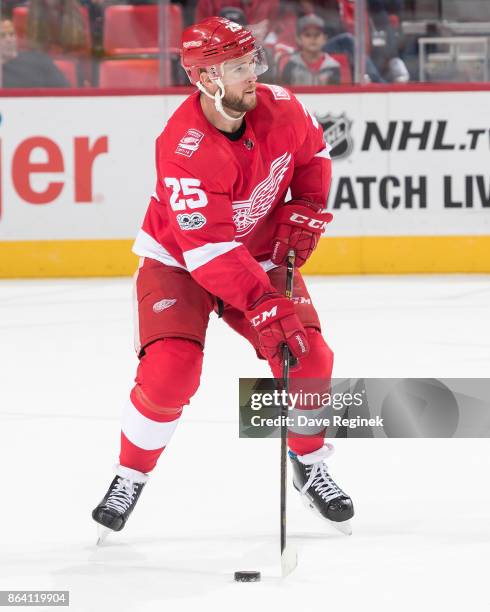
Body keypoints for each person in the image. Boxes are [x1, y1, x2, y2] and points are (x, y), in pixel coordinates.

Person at [92, 16, 354, 539]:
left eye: (251, 61)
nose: (251, 75)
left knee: (311, 357)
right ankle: (130, 474)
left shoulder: (282, 105)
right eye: (236, 67)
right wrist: (262, 302)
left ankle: (309, 463)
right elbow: (208, 253)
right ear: (205, 78)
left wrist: (305, 205)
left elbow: (314, 155)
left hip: (253, 256)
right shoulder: (183, 148)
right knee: (172, 372)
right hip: (180, 264)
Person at [1, 18, 69, 87]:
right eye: (2, 36)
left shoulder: (40, 60)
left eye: (11, 34)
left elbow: (64, 89)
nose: (9, 40)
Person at [281, 14, 341, 86]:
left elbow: (335, 95)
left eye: (317, 34)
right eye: (307, 35)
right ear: (298, 39)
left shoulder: (333, 66)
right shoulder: (291, 65)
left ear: (325, 38)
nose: (313, 39)